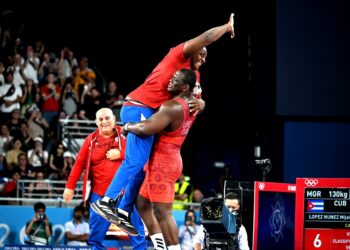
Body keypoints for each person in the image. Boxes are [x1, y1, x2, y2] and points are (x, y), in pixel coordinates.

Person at [91, 13, 235, 237]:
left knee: (143, 166)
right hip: (137, 106)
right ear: (194, 48)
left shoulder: (192, 76)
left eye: (206, 56)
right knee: (136, 160)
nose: (204, 58)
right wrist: (227, 27)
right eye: (202, 53)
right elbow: (205, 37)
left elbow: (195, 101)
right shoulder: (178, 54)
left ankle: (124, 209)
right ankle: (106, 202)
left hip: (149, 114)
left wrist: (203, 103)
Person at [124, 69, 197, 249]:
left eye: (175, 79)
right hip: (171, 157)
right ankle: (160, 246)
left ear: (185, 87)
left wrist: (127, 125)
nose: (170, 80)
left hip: (162, 164)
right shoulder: (193, 103)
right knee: (142, 203)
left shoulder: (172, 106)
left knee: (163, 213)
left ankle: (174, 248)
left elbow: (145, 128)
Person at [62, 108, 146, 250]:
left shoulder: (126, 135)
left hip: (124, 194)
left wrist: (121, 153)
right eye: (100, 119)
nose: (104, 122)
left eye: (107, 118)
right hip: (99, 194)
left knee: (136, 231)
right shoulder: (91, 140)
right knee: (96, 235)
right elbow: (79, 164)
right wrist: (69, 186)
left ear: (114, 118)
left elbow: (140, 154)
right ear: (96, 122)